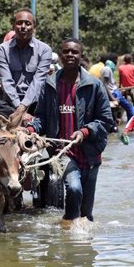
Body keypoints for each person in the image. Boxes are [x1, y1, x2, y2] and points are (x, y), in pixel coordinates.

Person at [27, 38, 114, 225]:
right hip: (63, 152)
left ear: (81, 56)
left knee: (87, 214)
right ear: (61, 55)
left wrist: (85, 131)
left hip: (91, 153)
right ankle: (70, 229)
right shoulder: (50, 85)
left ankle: (75, 240)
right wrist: (31, 128)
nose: (70, 55)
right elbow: (41, 116)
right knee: (74, 189)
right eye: (66, 51)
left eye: (74, 52)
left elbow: (106, 120)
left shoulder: (94, 85)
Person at [0, 8, 52, 123]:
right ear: (13, 26)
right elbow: (6, 81)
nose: (23, 26)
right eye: (19, 23)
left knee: (52, 109)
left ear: (34, 27)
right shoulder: (2, 49)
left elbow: (38, 81)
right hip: (11, 103)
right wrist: (19, 107)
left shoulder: (45, 50)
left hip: (35, 103)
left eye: (28, 23)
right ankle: (24, 117)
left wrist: (23, 107)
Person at [101, 59, 134, 126]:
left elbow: (108, 83)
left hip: (114, 92)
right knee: (130, 107)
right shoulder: (107, 69)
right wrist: (112, 97)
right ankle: (132, 123)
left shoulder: (105, 69)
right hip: (114, 93)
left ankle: (128, 122)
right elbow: (105, 84)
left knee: (125, 107)